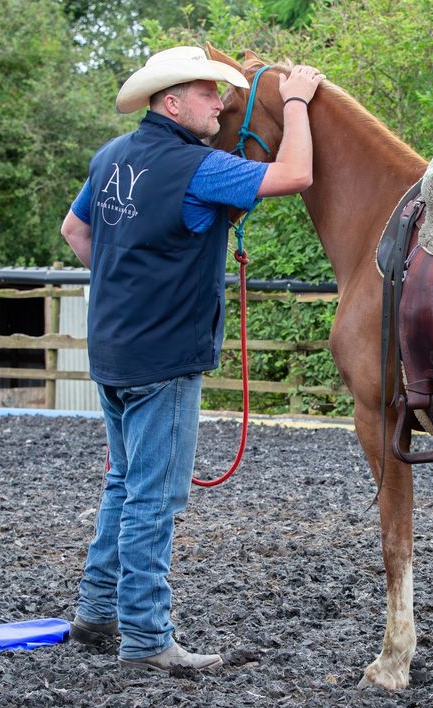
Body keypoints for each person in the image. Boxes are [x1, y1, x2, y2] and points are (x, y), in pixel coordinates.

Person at [60, 46, 324, 671]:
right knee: (156, 496)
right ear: (173, 103)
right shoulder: (199, 167)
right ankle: (148, 639)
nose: (222, 103)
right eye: (210, 94)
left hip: (114, 348)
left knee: (124, 482)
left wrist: (129, 282)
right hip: (166, 355)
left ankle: (96, 612)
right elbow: (297, 177)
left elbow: (75, 232)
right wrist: (295, 100)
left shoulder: (110, 158)